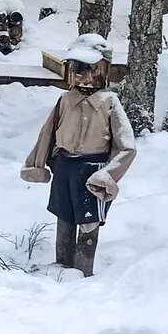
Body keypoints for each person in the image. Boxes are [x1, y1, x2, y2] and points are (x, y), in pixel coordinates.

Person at [20, 34, 136, 277]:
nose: (82, 75)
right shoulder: (65, 100)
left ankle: (83, 272)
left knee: (88, 222)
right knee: (64, 215)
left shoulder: (109, 103)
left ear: (103, 69)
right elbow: (47, 134)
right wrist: (36, 164)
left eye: (89, 68)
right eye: (76, 68)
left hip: (92, 171)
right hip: (64, 167)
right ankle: (61, 267)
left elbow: (127, 147)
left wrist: (108, 174)